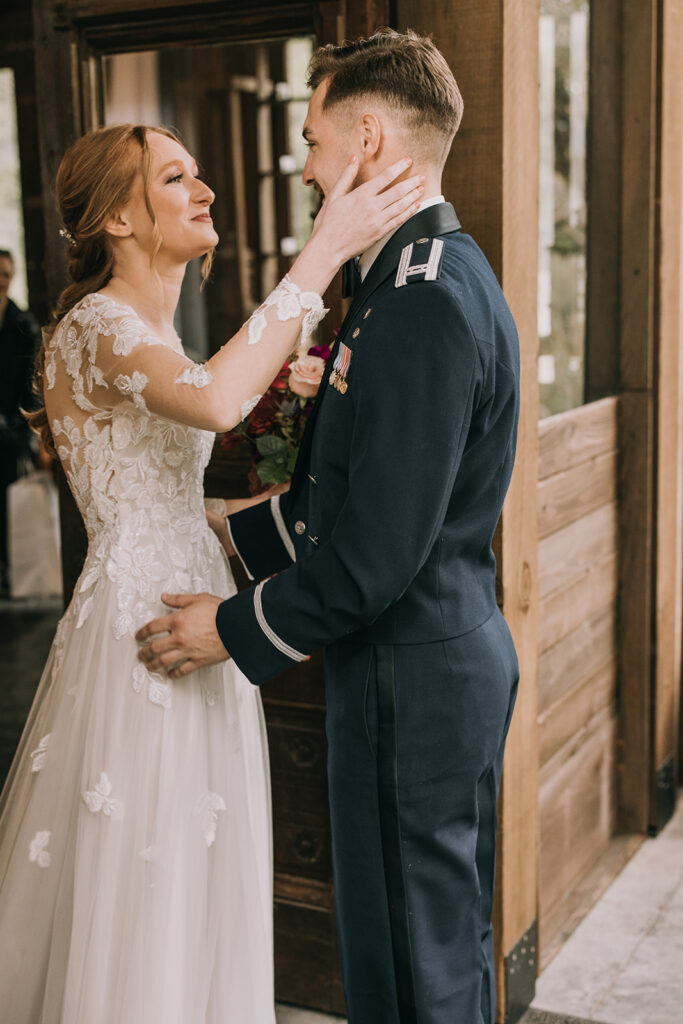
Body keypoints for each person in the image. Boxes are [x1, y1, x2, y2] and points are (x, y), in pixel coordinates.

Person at [0, 121, 424, 1024]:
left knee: (194, 859)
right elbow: (221, 400)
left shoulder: (155, 325)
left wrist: (313, 522)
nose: (206, 190)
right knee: (140, 869)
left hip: (208, 618)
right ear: (117, 215)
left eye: (199, 172)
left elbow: (169, 499)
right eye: (176, 177)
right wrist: (322, 254)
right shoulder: (96, 325)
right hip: (140, 639)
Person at [138, 30, 521, 1024]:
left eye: (310, 141)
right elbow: (337, 497)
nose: (303, 169)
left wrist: (222, 629)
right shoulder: (411, 275)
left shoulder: (421, 298)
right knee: (419, 943)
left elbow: (374, 556)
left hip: (412, 670)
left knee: (413, 967)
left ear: (362, 138)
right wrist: (228, 535)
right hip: (424, 658)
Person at [0, 249, 41, 594]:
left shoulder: (22, 324)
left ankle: (9, 568)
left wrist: (20, 427)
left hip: (8, 433)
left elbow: (31, 384)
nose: (1, 281)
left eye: (6, 274)